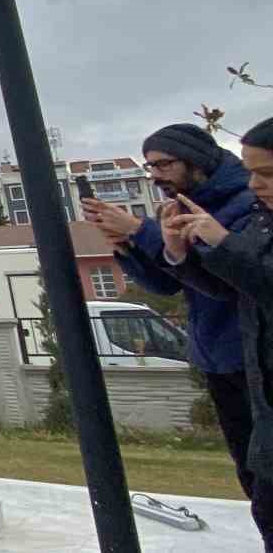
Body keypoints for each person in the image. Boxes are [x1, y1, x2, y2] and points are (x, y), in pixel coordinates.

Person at [82, 123, 258, 497]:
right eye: (150, 167)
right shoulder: (180, 206)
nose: (156, 176)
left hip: (254, 355)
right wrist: (128, 245)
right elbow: (171, 281)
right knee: (251, 470)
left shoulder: (245, 204)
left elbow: (230, 280)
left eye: (163, 165)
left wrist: (140, 229)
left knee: (265, 468)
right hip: (219, 359)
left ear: (195, 160)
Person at [158, 114, 273, 549]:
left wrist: (221, 242)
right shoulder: (263, 219)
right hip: (259, 386)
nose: (256, 184)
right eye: (251, 172)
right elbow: (232, 289)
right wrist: (178, 250)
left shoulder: (241, 213)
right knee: (263, 501)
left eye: (266, 173)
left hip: (247, 370)